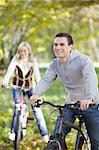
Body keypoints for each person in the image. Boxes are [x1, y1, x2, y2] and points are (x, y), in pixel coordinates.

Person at [30, 32, 99, 150]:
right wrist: (36, 94)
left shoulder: (83, 60)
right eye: (55, 44)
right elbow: (46, 80)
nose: (58, 47)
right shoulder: (54, 64)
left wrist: (89, 97)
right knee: (56, 138)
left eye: (62, 44)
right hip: (70, 104)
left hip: (90, 104)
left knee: (96, 142)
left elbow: (90, 77)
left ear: (70, 47)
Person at [1, 42, 49, 142]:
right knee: (17, 107)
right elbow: (10, 71)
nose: (22, 53)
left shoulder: (33, 61)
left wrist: (39, 91)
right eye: (20, 51)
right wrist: (5, 81)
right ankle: (13, 132)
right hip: (17, 87)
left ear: (28, 52)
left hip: (30, 87)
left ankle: (44, 134)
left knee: (36, 109)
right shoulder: (16, 59)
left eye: (24, 51)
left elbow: (37, 76)